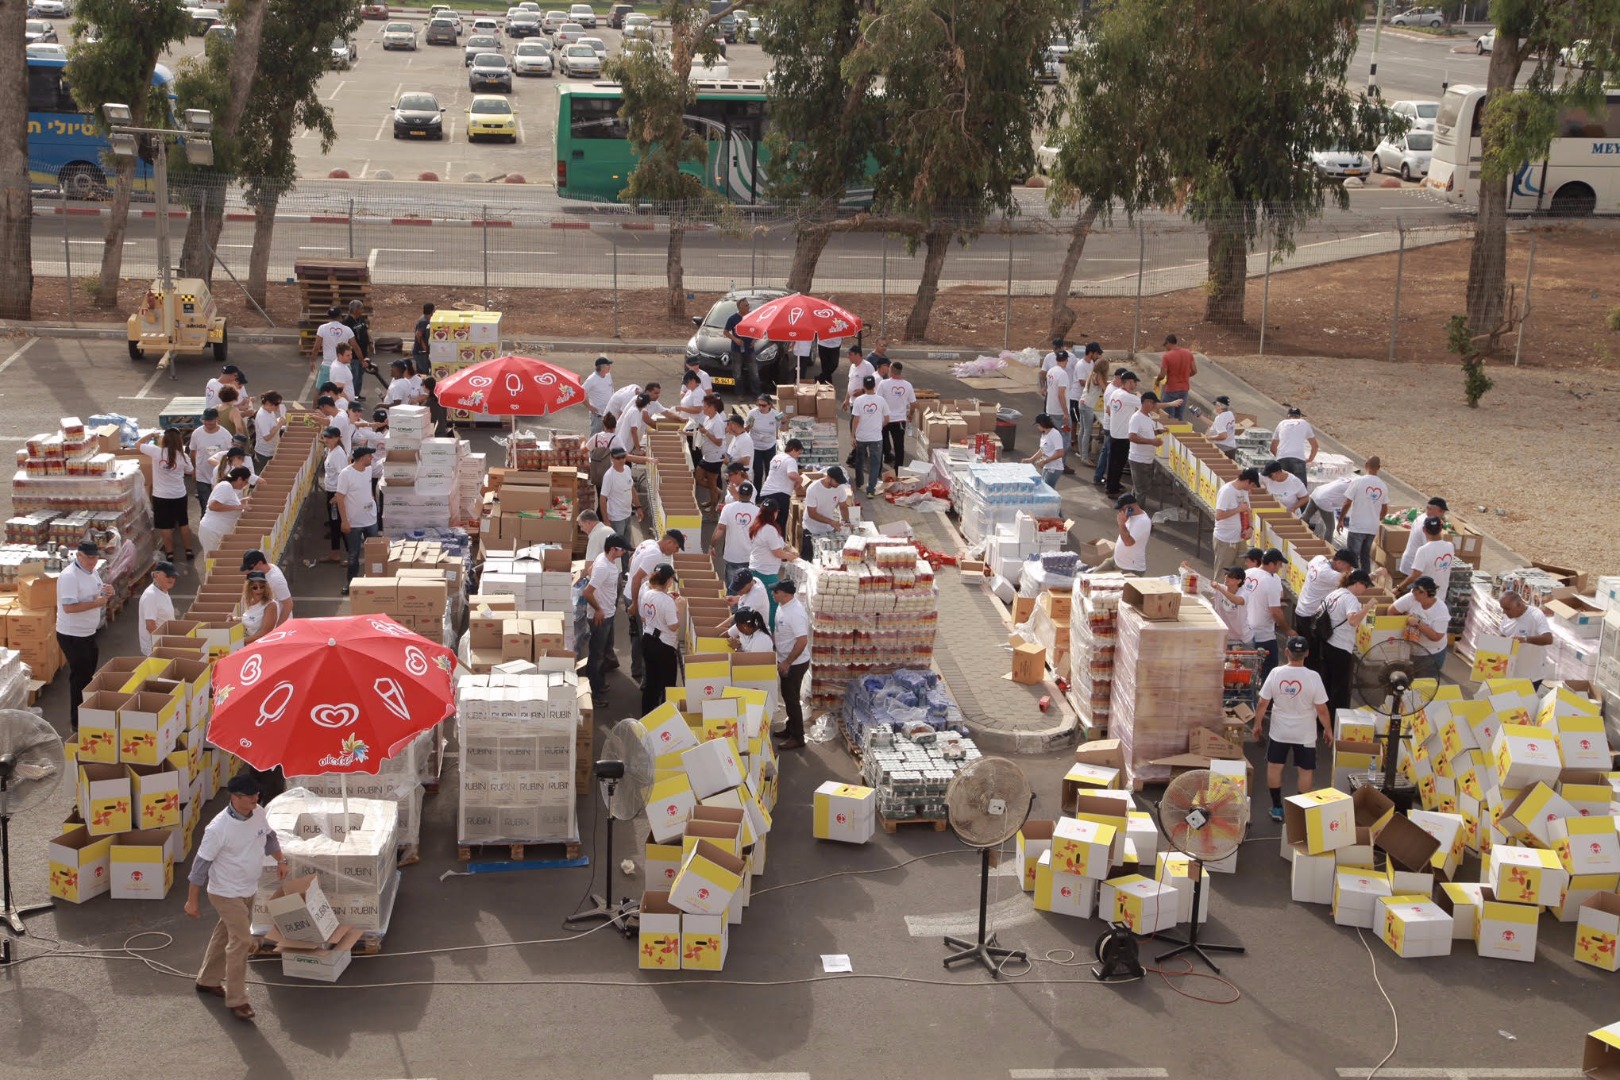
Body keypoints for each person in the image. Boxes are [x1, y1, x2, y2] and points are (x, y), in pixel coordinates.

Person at [187, 773, 287, 1022]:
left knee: (226, 934)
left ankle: (207, 980)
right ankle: (237, 1000)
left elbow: (269, 837)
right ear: (235, 797)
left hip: (247, 889)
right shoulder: (218, 829)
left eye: (257, 794)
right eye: (251, 795)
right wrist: (192, 901)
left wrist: (280, 860)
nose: (256, 798)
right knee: (242, 941)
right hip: (225, 893)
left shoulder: (258, 812)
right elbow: (200, 867)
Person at [1252, 636, 1331, 822]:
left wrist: (1257, 725)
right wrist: (1328, 729)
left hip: (1279, 731)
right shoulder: (1313, 677)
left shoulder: (1276, 673)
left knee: (1274, 767)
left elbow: (1263, 702)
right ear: (1307, 653)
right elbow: (1322, 709)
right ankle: (1299, 812)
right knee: (1305, 771)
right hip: (1305, 733)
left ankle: (1277, 807)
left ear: (1286, 652)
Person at [55, 541, 112, 731]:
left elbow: (97, 593)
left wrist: (107, 592)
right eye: (88, 557)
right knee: (80, 679)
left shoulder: (92, 571)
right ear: (78, 556)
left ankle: (86, 715)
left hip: (87, 633)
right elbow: (69, 607)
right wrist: (97, 603)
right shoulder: (70, 577)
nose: (93, 561)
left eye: (95, 557)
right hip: (72, 635)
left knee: (88, 677)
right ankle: (78, 723)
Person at [625, 530, 685, 683]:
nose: (675, 552)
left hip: (633, 593)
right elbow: (638, 578)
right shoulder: (656, 554)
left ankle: (637, 669)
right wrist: (635, 603)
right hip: (638, 597)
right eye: (676, 547)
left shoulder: (647, 542)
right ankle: (647, 678)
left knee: (636, 636)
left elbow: (631, 561)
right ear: (669, 542)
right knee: (646, 635)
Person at [582, 533, 629, 701]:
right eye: (621, 550)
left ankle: (599, 683)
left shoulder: (603, 559)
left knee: (601, 651)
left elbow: (589, 571)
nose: (623, 552)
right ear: (612, 549)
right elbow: (587, 592)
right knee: (597, 655)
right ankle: (593, 692)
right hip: (602, 617)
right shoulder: (604, 567)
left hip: (608, 613)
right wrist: (599, 610)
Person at [138, 427, 197, 560]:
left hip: (161, 496)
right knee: (183, 523)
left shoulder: (156, 452)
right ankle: (188, 550)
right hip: (179, 494)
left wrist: (151, 434)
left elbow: (138, 444)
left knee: (166, 526)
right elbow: (190, 471)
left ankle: (170, 553)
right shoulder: (183, 456)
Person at [638, 564, 687, 715]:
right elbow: (673, 626)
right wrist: (679, 608)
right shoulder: (667, 601)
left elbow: (643, 616)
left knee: (651, 683)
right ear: (669, 580)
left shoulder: (646, 593)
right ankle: (665, 718)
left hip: (648, 639)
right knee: (667, 686)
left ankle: (646, 716)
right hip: (664, 646)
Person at [1321, 569, 1373, 711]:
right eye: (1365, 586)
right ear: (1357, 583)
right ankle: (1336, 722)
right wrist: (1367, 607)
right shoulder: (1350, 598)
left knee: (1327, 683)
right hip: (1341, 647)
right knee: (1340, 688)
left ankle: (1322, 721)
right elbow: (1353, 621)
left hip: (1327, 643)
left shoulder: (1335, 593)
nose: (1366, 590)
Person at [771, 579, 811, 749]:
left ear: (786, 594)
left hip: (794, 664)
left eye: (776, 592)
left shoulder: (795, 613)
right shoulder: (783, 606)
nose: (773, 594)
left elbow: (802, 641)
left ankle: (798, 737)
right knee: (787, 697)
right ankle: (790, 729)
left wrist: (787, 662)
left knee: (792, 700)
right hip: (786, 660)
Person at [334, 447, 379, 593]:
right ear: (362, 458)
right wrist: (344, 521)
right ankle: (351, 583)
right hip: (354, 522)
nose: (371, 458)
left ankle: (375, 581)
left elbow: (368, 486)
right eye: (369, 456)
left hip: (370, 520)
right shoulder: (346, 474)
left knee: (374, 553)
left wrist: (371, 498)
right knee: (353, 554)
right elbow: (340, 498)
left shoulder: (368, 470)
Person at [1391, 576, 1450, 680]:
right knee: (1408, 681)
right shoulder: (1411, 598)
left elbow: (1436, 636)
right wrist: (1404, 619)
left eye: (1416, 591)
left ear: (1425, 593)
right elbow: (1391, 611)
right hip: (1410, 650)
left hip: (1431, 653)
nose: (1412, 592)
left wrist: (1418, 623)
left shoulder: (1441, 611)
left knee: (1424, 684)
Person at [1244, 548, 1288, 681]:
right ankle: (1265, 701)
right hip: (1264, 635)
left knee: (1245, 672)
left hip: (1245, 631)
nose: (1280, 568)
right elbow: (1275, 610)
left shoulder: (1247, 573)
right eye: (1279, 564)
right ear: (1271, 564)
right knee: (1269, 673)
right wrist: (1288, 630)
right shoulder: (1272, 580)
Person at [1340, 457, 1390, 575]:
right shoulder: (1383, 486)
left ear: (1366, 465)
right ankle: (1366, 581)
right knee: (1365, 556)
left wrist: (1341, 518)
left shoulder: (1358, 482)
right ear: (1378, 468)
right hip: (1372, 527)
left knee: (1352, 557)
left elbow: (1347, 502)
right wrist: (1377, 519)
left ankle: (1351, 581)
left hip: (1357, 525)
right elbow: (1385, 508)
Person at [1498, 591, 1553, 689]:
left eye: (1507, 609)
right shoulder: (1507, 616)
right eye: (1503, 609)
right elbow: (1503, 633)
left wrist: (1525, 639)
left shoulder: (1536, 615)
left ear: (1519, 605)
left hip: (1531, 677)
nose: (1504, 612)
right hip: (1509, 674)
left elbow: (1548, 639)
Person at [1211, 467, 1260, 577]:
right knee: (1222, 573)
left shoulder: (1244, 491)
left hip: (1240, 538)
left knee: (1241, 573)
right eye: (1252, 485)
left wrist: (1250, 528)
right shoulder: (1227, 491)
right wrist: (1238, 509)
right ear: (1248, 481)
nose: (1252, 488)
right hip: (1225, 540)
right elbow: (1219, 515)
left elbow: (1248, 510)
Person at [748, 504, 795, 616]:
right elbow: (777, 552)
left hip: (758, 569)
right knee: (774, 604)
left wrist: (790, 549)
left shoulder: (759, 526)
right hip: (765, 573)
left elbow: (780, 544)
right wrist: (792, 557)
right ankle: (771, 631)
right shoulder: (769, 529)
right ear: (774, 513)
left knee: (759, 603)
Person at [1091, 493, 1152, 575]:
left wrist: (1121, 524)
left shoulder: (1142, 522)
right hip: (1115, 560)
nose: (1120, 512)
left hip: (1129, 568)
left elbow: (1128, 542)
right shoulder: (1132, 516)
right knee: (1090, 579)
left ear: (1130, 508)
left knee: (1108, 587)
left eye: (1121, 510)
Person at [849, 376, 890, 497]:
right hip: (876, 437)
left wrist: (853, 436)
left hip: (861, 436)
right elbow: (887, 419)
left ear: (864, 386)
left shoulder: (859, 400)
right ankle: (871, 489)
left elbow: (855, 419)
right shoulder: (881, 400)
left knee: (859, 461)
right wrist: (879, 426)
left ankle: (859, 483)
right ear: (874, 385)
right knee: (875, 463)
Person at [198, 467, 252, 558]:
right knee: (212, 561)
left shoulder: (229, 488)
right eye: (245, 482)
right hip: (213, 531)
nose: (245, 485)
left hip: (217, 531)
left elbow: (226, 503)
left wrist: (241, 501)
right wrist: (238, 507)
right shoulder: (225, 486)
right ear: (239, 479)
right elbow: (213, 506)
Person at [800, 466, 851, 559]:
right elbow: (812, 513)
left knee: (826, 559)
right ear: (829, 478)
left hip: (828, 529)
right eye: (837, 481)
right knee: (808, 558)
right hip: (811, 528)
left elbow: (843, 507)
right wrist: (831, 522)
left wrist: (846, 522)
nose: (839, 484)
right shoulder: (813, 489)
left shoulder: (840, 489)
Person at [189, 409, 233, 516]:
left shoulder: (225, 435)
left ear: (217, 419)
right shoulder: (197, 433)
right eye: (205, 420)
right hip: (202, 477)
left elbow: (231, 456)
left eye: (211, 420)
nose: (208, 423)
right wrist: (194, 469)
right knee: (205, 507)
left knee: (219, 506)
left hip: (220, 478)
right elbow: (192, 451)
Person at [1103, 371, 1141, 497]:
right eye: (1134, 382)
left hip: (1114, 433)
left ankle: (1111, 485)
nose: (1136, 385)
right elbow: (1148, 405)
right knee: (1119, 464)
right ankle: (1113, 490)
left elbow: (1108, 410)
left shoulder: (1116, 392)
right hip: (1123, 436)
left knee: (1112, 462)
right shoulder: (1128, 397)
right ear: (1129, 382)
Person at [712, 482, 759, 584]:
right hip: (750, 557)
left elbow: (720, 529)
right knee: (748, 589)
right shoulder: (758, 512)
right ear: (751, 495)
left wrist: (712, 545)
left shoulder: (728, 508)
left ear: (738, 493)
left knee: (732, 588)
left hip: (732, 556)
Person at [1399, 516, 1456, 597]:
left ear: (1424, 530)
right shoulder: (1450, 546)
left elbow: (1415, 575)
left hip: (1423, 598)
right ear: (1441, 529)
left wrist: (1398, 588)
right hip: (1440, 596)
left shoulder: (1423, 550)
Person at [876, 361, 916, 471]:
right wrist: (910, 415)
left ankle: (878, 470)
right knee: (899, 447)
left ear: (890, 370)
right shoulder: (907, 385)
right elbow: (913, 403)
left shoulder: (883, 384)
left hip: (884, 420)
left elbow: (878, 400)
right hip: (900, 421)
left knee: (880, 445)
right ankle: (898, 471)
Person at [1124, 391, 1163, 507]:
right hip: (1138, 460)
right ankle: (1139, 517)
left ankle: (1131, 512)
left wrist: (1159, 431)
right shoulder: (1136, 418)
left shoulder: (1148, 417)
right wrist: (1152, 442)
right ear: (1147, 402)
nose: (1154, 406)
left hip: (1146, 459)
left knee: (1138, 489)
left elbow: (1146, 432)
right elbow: (1132, 436)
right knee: (1141, 491)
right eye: (1153, 403)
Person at [1092, 368, 1128, 486]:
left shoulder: (1113, 388)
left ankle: (1099, 476)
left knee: (1106, 451)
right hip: (1111, 426)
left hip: (1109, 425)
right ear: (1118, 378)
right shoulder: (1113, 391)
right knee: (1110, 454)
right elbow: (1109, 410)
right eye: (1123, 380)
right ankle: (1109, 480)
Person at [1398, 496, 1449, 580]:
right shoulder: (1426, 524)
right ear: (1430, 509)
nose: (1442, 514)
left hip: (1414, 563)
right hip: (1414, 566)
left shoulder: (1423, 518)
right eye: (1441, 511)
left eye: (1443, 512)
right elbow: (1430, 547)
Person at [317, 426, 348, 563]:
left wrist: (338, 495)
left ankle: (349, 555)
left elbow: (343, 475)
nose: (327, 439)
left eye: (330, 437)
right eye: (325, 437)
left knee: (341, 524)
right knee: (335, 524)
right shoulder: (331, 450)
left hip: (336, 494)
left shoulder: (338, 454)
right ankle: (335, 553)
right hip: (332, 492)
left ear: (337, 438)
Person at [135, 561, 179, 656]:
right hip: (156, 648)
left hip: (164, 644)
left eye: (173, 576)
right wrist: (168, 642)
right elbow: (150, 626)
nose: (171, 579)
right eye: (168, 576)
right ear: (155, 575)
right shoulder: (151, 596)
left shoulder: (163, 590)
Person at [694, 396, 728, 512]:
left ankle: (713, 508)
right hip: (707, 455)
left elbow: (719, 442)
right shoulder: (708, 418)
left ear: (712, 407)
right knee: (698, 478)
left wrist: (706, 433)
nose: (703, 409)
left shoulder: (718, 422)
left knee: (712, 482)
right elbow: (702, 433)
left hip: (715, 457)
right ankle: (717, 492)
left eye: (705, 407)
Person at [239, 550, 292, 625]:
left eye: (251, 568)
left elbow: (288, 604)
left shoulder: (276, 580)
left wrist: (278, 628)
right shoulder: (270, 567)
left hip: (278, 624)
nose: (249, 571)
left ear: (260, 563)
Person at [599, 447, 641, 540]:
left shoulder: (627, 469)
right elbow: (602, 499)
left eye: (623, 457)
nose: (621, 460)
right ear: (612, 458)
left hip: (627, 514)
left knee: (626, 545)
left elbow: (631, 489)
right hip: (616, 518)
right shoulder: (609, 476)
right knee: (617, 546)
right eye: (618, 458)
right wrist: (606, 520)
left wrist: (638, 507)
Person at [1269, 406, 1318, 486]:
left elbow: (1272, 448)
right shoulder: (1304, 423)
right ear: (1299, 416)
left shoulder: (1281, 423)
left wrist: (1279, 456)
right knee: (1300, 488)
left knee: (1282, 486)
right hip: (1298, 458)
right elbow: (1315, 446)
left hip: (1282, 458)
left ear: (1288, 416)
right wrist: (1310, 459)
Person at [758, 438, 803, 523]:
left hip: (765, 492)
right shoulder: (790, 460)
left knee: (764, 523)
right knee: (779, 525)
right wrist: (800, 479)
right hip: (780, 495)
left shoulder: (776, 457)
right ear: (794, 449)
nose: (798, 455)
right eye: (798, 453)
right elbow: (792, 475)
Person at [1042, 350, 1072, 469]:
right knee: (1064, 440)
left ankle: (1052, 460)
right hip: (1059, 412)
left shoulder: (1051, 371)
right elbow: (1061, 394)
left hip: (1051, 409)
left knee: (1052, 439)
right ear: (1066, 360)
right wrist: (1066, 412)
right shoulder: (1062, 374)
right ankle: (1061, 463)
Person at [745, 393, 781, 491]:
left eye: (764, 405)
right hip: (755, 446)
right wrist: (749, 426)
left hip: (770, 446)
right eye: (759, 405)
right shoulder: (752, 413)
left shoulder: (775, 414)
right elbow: (745, 430)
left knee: (770, 471)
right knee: (758, 472)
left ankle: (766, 492)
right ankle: (756, 495)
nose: (761, 407)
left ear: (769, 405)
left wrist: (785, 420)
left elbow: (782, 426)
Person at [1157, 334, 1197, 419]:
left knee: (1167, 416)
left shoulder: (1167, 356)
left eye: (1165, 345)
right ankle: (1179, 431)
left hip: (1171, 389)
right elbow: (1194, 371)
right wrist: (1185, 376)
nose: (1165, 348)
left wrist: (1157, 380)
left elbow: (1162, 374)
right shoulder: (1188, 353)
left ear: (1168, 343)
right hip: (1184, 389)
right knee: (1179, 416)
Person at [343, 299, 379, 396]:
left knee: (360, 376)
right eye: (361, 308)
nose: (362, 310)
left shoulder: (361, 319)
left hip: (363, 353)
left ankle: (357, 395)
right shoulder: (347, 322)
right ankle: (352, 397)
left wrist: (370, 342)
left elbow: (366, 331)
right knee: (354, 377)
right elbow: (350, 341)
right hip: (354, 356)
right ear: (355, 310)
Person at [1303, 473, 1353, 540]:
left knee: (1305, 516)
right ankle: (1327, 546)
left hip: (1317, 493)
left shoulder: (1348, 480)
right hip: (1325, 501)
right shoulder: (1354, 486)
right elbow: (1347, 503)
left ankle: (1294, 533)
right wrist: (1341, 520)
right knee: (1330, 527)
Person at [725, 298, 758, 397]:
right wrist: (735, 339)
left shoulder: (752, 316)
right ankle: (740, 394)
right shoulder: (733, 319)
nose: (748, 307)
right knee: (737, 373)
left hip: (750, 349)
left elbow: (759, 329)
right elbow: (725, 332)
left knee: (754, 373)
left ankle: (757, 394)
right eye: (746, 305)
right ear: (740, 307)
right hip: (737, 350)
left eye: (748, 305)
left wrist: (755, 340)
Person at [1210, 566, 1250, 646]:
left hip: (1241, 640)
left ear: (1239, 581)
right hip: (1224, 636)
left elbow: (1237, 601)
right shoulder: (1220, 588)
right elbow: (1202, 583)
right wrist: (1189, 570)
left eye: (1231, 576)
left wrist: (1220, 589)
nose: (1226, 577)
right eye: (1226, 574)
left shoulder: (1244, 593)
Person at [238, 571, 281, 644]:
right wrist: (234, 618)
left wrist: (240, 642)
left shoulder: (271, 605)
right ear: (249, 588)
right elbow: (250, 618)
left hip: (262, 647)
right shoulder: (250, 602)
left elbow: (264, 634)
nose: (259, 590)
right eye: (255, 587)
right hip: (249, 645)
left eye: (262, 586)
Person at [313, 304, 355, 375]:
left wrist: (312, 361)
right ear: (340, 316)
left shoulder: (322, 328)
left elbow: (316, 347)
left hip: (327, 365)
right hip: (343, 365)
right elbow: (355, 346)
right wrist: (362, 360)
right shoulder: (347, 329)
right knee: (343, 385)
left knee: (323, 386)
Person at [1027, 414, 1065, 489]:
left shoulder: (1055, 434)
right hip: (1047, 466)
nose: (1037, 427)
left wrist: (1044, 461)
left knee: (1047, 489)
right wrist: (1032, 459)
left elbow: (1060, 453)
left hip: (1054, 468)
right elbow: (1042, 449)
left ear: (1043, 423)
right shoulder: (1044, 434)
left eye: (1038, 425)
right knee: (1044, 487)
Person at [252, 391, 286, 472]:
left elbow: (271, 426)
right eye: (276, 404)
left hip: (272, 449)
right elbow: (266, 437)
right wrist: (279, 425)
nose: (278, 407)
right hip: (265, 453)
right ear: (268, 403)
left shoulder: (269, 411)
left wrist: (279, 421)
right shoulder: (262, 416)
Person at [583, 355, 614, 435]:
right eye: (608, 365)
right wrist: (589, 407)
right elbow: (581, 393)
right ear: (602, 368)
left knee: (608, 437)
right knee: (595, 436)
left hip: (608, 414)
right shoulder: (591, 379)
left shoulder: (608, 375)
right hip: (598, 415)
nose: (610, 367)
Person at [843, 346, 874, 411]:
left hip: (863, 403)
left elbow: (874, 383)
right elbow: (850, 383)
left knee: (855, 421)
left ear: (857, 355)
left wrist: (862, 391)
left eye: (850, 354)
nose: (848, 357)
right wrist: (847, 399)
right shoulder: (852, 366)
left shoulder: (867, 366)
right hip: (853, 403)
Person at [411, 301, 436, 375]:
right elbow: (418, 335)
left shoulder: (426, 319)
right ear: (431, 311)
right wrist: (424, 348)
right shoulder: (424, 321)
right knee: (424, 372)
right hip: (420, 352)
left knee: (420, 372)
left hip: (420, 352)